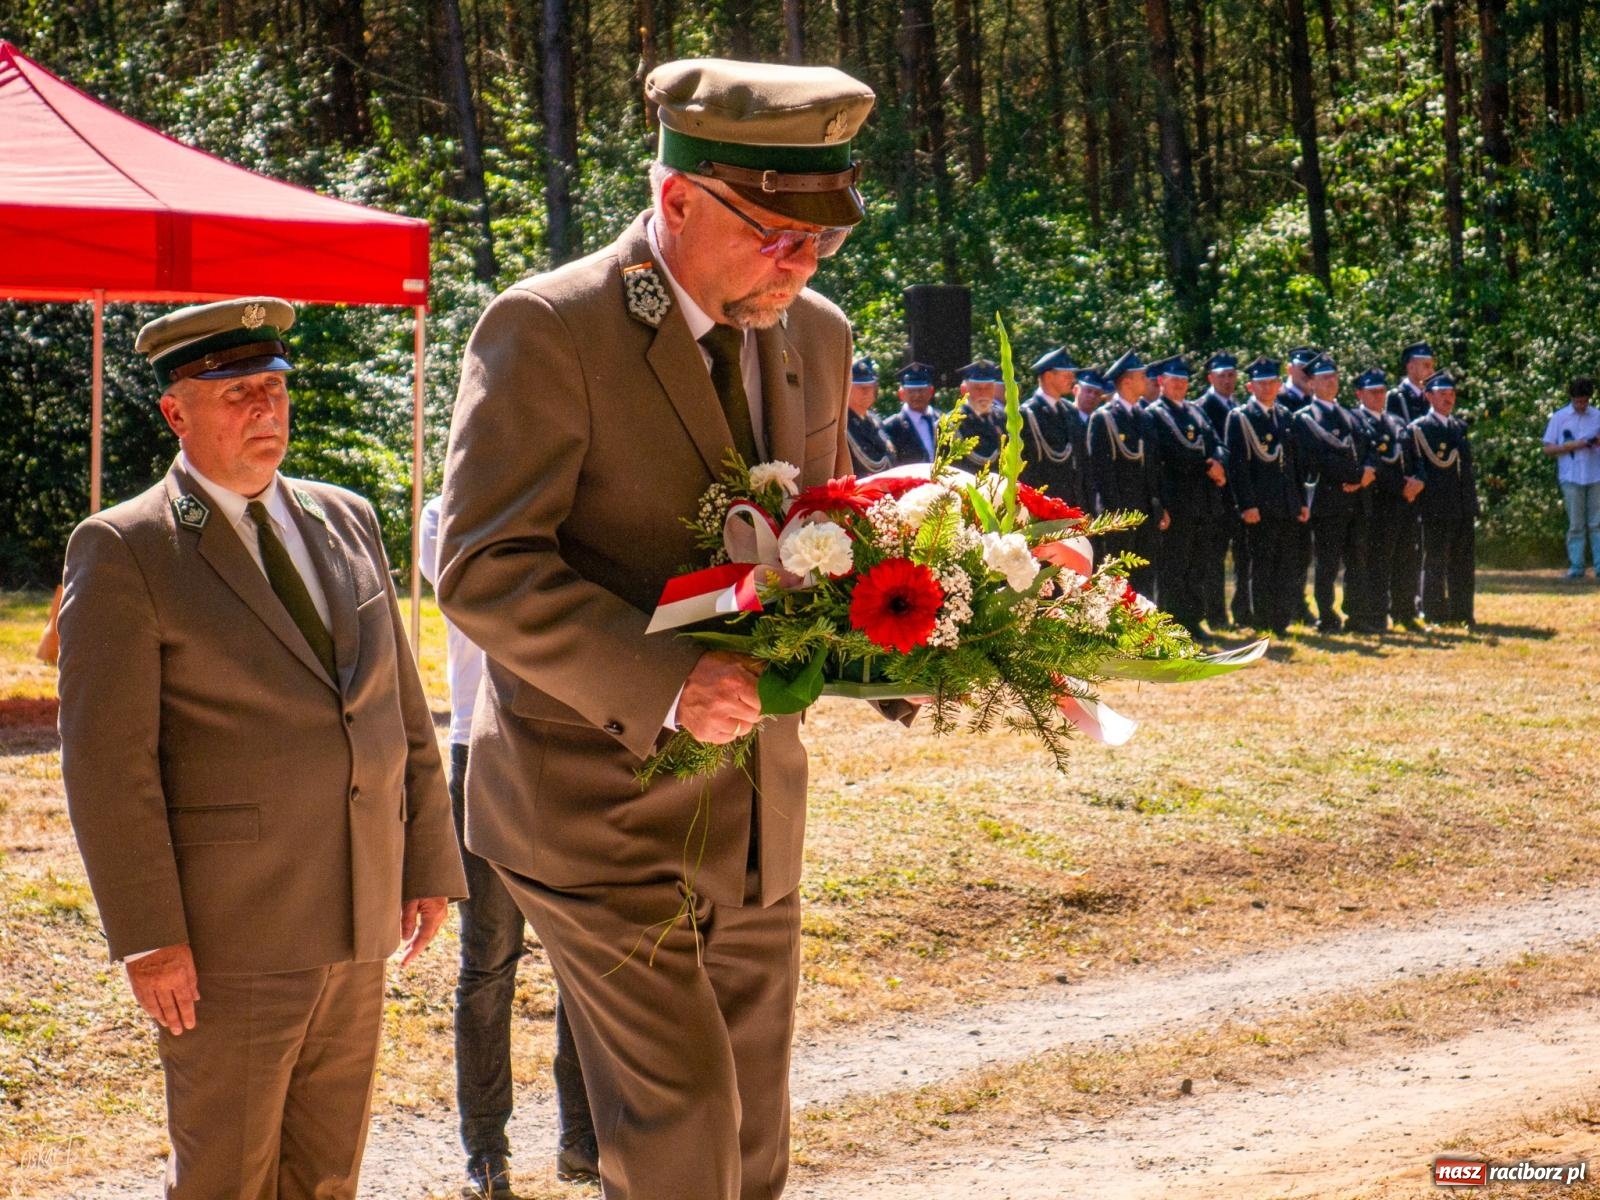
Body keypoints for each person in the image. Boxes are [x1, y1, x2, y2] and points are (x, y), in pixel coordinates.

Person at [436, 58, 877, 1200]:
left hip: (754, 815)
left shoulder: (813, 332)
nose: (801, 263)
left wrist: (937, 632)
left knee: (749, 1146)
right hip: (593, 806)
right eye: (775, 233)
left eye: (820, 238)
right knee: (680, 1129)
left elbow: (828, 537)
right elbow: (480, 567)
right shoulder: (549, 327)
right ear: (678, 200)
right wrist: (667, 681)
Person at [56, 297, 466, 1200]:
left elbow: (400, 708)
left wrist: (427, 860)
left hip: (359, 912)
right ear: (175, 411)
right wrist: (152, 938)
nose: (263, 412)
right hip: (228, 934)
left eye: (274, 391)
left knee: (327, 1173)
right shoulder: (126, 547)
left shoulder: (345, 516)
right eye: (236, 393)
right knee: (227, 1176)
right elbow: (106, 768)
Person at [418, 497, 597, 1196]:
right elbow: (495, 599)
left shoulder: (567, 505)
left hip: (572, 748)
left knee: (581, 956)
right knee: (488, 963)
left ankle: (581, 1141)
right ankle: (486, 1152)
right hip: (484, 749)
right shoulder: (446, 514)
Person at [1225, 358, 1309, 636]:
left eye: (1272, 383)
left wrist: (1300, 501)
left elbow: (1294, 464)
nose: (1268, 388)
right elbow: (1237, 466)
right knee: (1261, 566)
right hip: (1260, 505)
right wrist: (1247, 504)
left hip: (1286, 503)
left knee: (1286, 565)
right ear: (1250, 386)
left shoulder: (1284, 416)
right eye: (1261, 383)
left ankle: (1280, 620)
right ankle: (1261, 620)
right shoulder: (1241, 417)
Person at [1146, 355, 1227, 635]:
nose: (1180, 385)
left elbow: (1217, 443)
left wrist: (1219, 462)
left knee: (1197, 566)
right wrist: (1207, 464)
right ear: (1161, 382)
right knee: (1175, 567)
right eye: (1174, 380)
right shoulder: (1155, 414)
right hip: (1178, 501)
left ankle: (1194, 621)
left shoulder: (1196, 412)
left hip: (1203, 501)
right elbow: (1171, 453)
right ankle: (1172, 623)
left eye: (1183, 380)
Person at [1294, 354, 1374, 633]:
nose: (1331, 382)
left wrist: (1363, 476)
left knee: (1357, 562)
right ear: (1312, 383)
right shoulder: (1305, 418)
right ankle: (1327, 616)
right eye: (1325, 377)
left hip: (1356, 498)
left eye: (1334, 377)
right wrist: (1354, 477)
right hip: (1329, 501)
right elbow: (1318, 458)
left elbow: (1367, 448)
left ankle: (1357, 616)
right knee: (1327, 564)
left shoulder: (1351, 415)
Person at [1346, 368, 1424, 633]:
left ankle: (1405, 612)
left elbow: (1415, 456)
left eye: (1382, 391)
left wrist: (1418, 480)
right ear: (1360, 394)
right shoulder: (1357, 422)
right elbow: (1373, 465)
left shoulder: (1397, 421)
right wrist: (1402, 486)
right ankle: (1377, 615)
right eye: (1373, 392)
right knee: (1378, 562)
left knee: (1406, 560)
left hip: (1406, 502)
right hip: (1378, 503)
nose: (1379, 396)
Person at [1088, 350, 1167, 596]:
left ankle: (1142, 629)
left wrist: (1158, 505)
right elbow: (1101, 471)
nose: (1147, 381)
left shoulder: (1143, 417)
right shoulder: (1105, 418)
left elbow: (1152, 466)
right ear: (1126, 381)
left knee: (1144, 573)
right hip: (1119, 509)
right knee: (1116, 575)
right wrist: (1115, 512)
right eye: (1141, 376)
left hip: (1144, 508)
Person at [1409, 371, 1478, 626]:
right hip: (1436, 507)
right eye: (1442, 394)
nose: (1448, 399)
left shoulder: (1459, 427)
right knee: (1435, 562)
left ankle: (1463, 613)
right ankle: (1435, 613)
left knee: (1463, 563)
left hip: (1462, 505)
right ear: (1429, 396)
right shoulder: (1421, 429)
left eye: (1451, 394)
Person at [1197, 351, 1247, 628]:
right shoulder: (1203, 406)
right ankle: (1216, 616)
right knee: (1214, 559)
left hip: (1238, 493)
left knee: (1243, 556)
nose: (1228, 380)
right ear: (1210, 378)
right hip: (1215, 492)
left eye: (1231, 375)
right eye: (1222, 375)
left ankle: (1242, 612)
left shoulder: (1238, 406)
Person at [1386, 341, 1434, 624]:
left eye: (1431, 365)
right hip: (1407, 483)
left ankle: (1420, 601)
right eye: (1424, 364)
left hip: (1428, 481)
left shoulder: (1432, 395)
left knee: (1423, 548)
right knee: (1403, 550)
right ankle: (1401, 604)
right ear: (1410, 366)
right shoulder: (1397, 398)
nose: (1429, 370)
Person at [1540, 376, 1600, 580]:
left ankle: (1599, 566)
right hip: (1570, 476)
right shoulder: (1559, 417)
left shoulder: (1598, 416)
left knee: (1596, 523)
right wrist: (1573, 445)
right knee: (1576, 524)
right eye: (1577, 401)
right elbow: (1548, 448)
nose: (1581, 405)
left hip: (1595, 474)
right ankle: (1577, 567)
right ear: (1571, 398)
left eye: (1584, 401)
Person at [1019, 347, 1088, 510]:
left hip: (1073, 503)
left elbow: (1081, 461)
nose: (1072, 379)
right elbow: (1026, 469)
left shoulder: (1070, 411)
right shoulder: (1028, 414)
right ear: (1049, 376)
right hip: (1043, 505)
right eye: (1067, 374)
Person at [882, 361, 942, 465]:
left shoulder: (944, 420)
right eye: (911, 391)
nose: (917, 395)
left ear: (931, 391)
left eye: (921, 390)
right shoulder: (891, 427)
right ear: (901, 394)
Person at [844, 357, 895, 475]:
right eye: (860, 387)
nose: (867, 391)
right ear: (848, 388)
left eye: (870, 386)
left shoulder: (875, 420)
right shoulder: (844, 425)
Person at [953, 358, 1004, 471]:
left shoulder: (1002, 419)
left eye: (988, 387)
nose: (983, 393)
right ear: (964, 390)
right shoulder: (952, 424)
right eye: (977, 388)